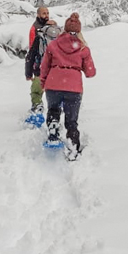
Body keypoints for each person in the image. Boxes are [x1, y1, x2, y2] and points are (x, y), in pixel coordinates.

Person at [40, 12, 96, 159]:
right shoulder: (83, 49)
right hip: (73, 87)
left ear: (64, 29)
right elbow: (90, 72)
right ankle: (73, 148)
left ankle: (53, 132)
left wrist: (43, 83)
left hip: (53, 84)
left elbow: (44, 67)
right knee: (71, 120)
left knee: (53, 110)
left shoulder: (53, 45)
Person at [25, 6, 55, 113]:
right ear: (38, 15)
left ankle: (37, 107)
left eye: (47, 13)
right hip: (55, 67)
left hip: (40, 67)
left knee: (37, 91)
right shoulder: (54, 29)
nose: (46, 15)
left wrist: (29, 73)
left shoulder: (37, 29)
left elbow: (32, 52)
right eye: (44, 13)